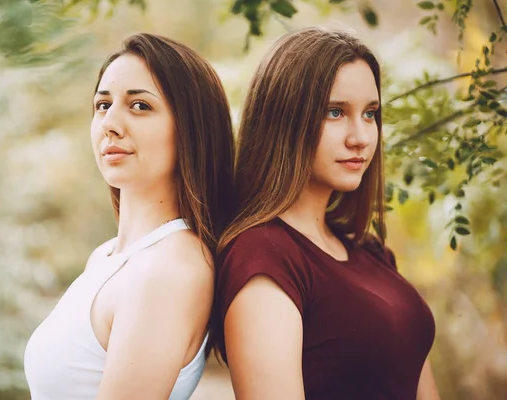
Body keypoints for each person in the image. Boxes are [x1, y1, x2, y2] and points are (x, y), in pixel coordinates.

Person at [212, 27, 441, 400]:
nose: (361, 137)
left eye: (370, 114)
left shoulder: (368, 249)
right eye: (335, 112)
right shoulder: (262, 257)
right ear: (283, 120)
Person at [24, 33, 235, 400]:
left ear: (191, 130)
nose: (110, 123)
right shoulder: (108, 257)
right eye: (103, 105)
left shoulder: (168, 272)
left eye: (139, 106)